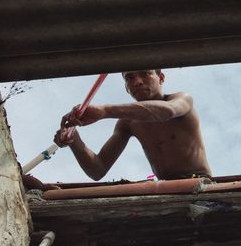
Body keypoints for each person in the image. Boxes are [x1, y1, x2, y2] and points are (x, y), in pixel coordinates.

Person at [54, 70, 212, 181]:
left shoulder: (181, 99)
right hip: (166, 190)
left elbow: (167, 112)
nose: (137, 82)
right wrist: (74, 140)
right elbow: (98, 170)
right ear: (126, 87)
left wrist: (104, 111)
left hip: (199, 182)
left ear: (161, 78)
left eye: (145, 73)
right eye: (129, 78)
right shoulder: (127, 123)